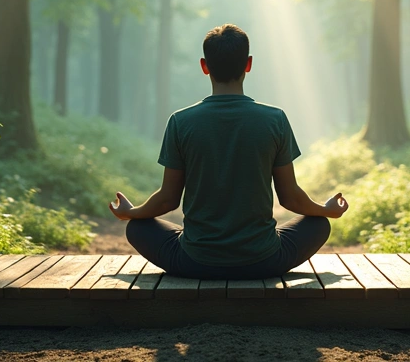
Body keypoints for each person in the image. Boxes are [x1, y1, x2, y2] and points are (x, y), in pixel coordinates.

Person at [108, 23, 348, 280]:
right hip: (264, 261)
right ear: (248, 64)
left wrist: (131, 213)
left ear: (204, 66)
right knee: (318, 224)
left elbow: (168, 200)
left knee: (137, 228)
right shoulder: (275, 119)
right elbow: (290, 199)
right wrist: (326, 209)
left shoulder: (181, 121)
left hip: (196, 262)